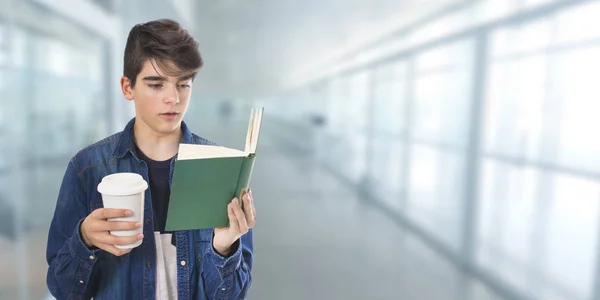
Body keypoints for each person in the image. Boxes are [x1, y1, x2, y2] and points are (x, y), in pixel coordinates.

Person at [46, 19, 255, 300]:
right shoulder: (87, 169)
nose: (173, 98)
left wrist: (225, 248)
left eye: (183, 84)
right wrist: (84, 239)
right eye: (156, 84)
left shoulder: (220, 166)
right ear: (127, 87)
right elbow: (62, 290)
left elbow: (232, 295)